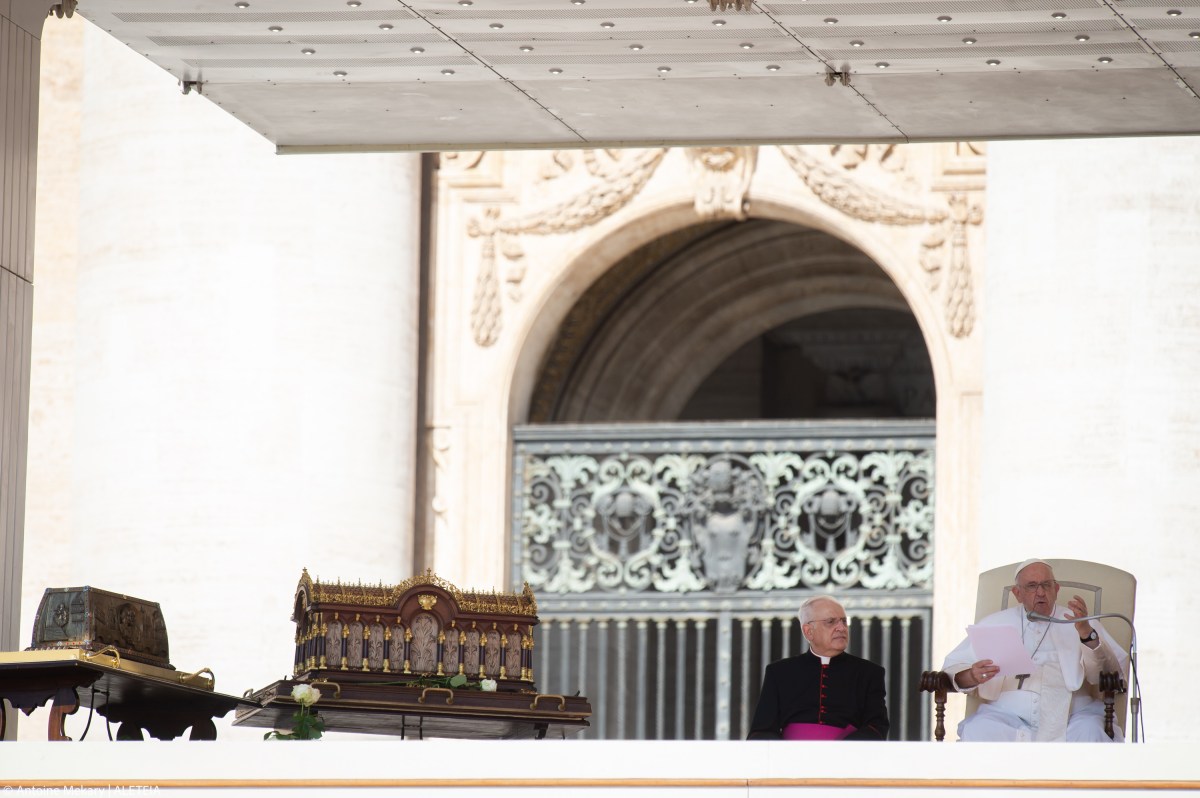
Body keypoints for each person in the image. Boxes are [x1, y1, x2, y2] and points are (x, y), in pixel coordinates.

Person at [942, 558, 1127, 742]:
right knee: (979, 730)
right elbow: (952, 671)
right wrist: (972, 675)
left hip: (1073, 716)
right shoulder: (994, 624)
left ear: (1056, 589)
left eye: (1046, 585)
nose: (1040, 592)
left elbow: (1111, 672)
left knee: (1090, 732)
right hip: (1007, 716)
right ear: (1017, 593)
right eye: (1031, 586)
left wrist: (1086, 634)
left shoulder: (1081, 622)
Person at [747, 596, 889, 740]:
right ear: (809, 631)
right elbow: (761, 730)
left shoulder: (870, 673)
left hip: (848, 757)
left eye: (844, 621)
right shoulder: (779, 672)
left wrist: (843, 749)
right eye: (830, 622)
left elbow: (877, 726)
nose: (841, 628)